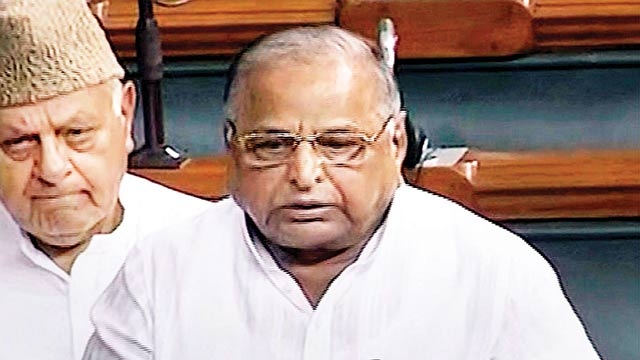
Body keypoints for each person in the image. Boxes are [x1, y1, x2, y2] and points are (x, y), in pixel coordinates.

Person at [83, 25, 600, 359]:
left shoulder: (493, 274)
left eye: (339, 144)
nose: (304, 174)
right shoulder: (161, 271)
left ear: (395, 142)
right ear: (232, 147)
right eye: (271, 144)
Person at [0, 1, 211, 359]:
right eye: (18, 142)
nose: (52, 169)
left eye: (77, 133)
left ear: (125, 114)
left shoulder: (208, 247)